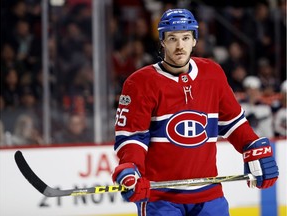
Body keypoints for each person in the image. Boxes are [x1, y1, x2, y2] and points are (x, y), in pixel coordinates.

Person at [111, 9, 279, 216]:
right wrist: (132, 168)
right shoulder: (140, 82)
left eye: (185, 38)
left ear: (194, 40)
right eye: (172, 38)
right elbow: (132, 137)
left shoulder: (212, 73)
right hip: (161, 197)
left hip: (209, 195)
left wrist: (251, 146)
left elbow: (233, 123)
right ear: (162, 42)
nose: (180, 45)